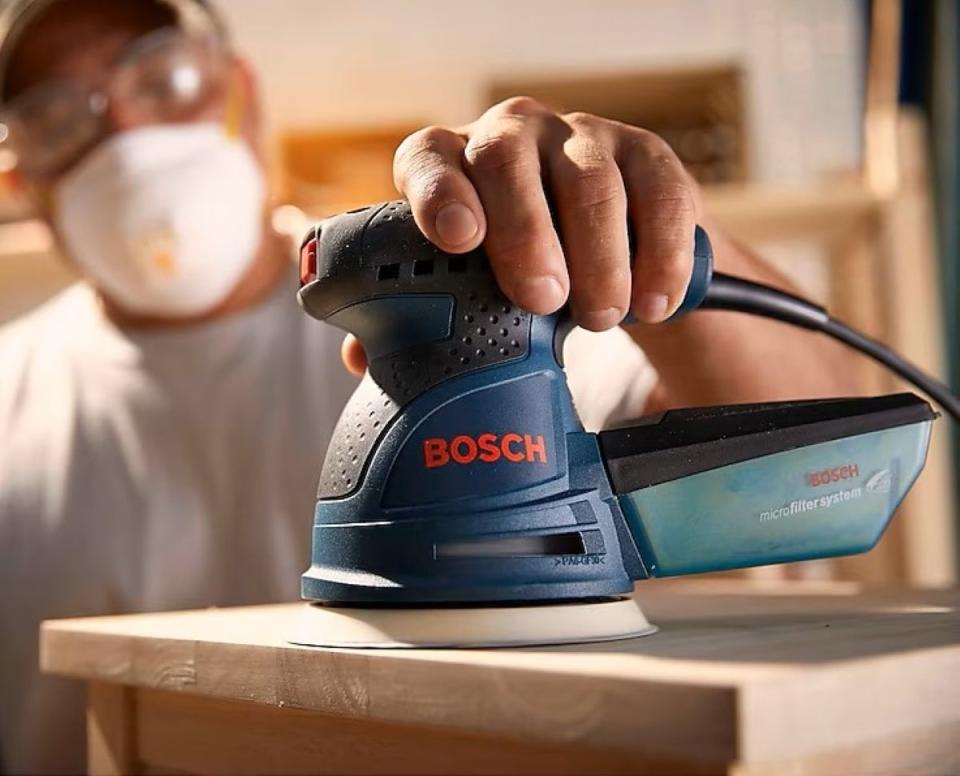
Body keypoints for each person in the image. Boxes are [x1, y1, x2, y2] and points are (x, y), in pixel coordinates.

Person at [0, 0, 854, 772]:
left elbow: (825, 437)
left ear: (243, 92)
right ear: (15, 178)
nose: (126, 138)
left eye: (163, 77)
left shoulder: (464, 307)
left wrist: (657, 232)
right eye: (50, 119)